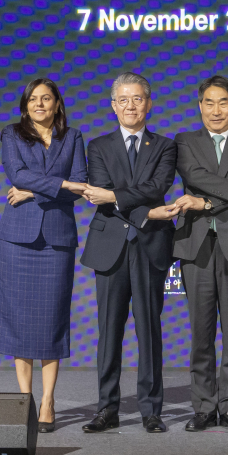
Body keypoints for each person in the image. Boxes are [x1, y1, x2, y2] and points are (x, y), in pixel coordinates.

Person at [78, 73, 180, 434]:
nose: (130, 106)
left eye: (137, 99)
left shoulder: (166, 146)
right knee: (109, 332)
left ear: (149, 104)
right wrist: (146, 210)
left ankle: (152, 409)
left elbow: (157, 186)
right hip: (110, 248)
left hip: (151, 245)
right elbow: (100, 192)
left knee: (149, 330)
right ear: (113, 106)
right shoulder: (98, 146)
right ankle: (107, 408)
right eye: (123, 100)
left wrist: (125, 201)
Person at [0, 78, 88, 433]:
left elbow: (80, 184)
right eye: (33, 99)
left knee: (51, 320)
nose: (39, 104)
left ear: (57, 104)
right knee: (19, 322)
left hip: (57, 239)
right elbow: (16, 173)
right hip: (18, 239)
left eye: (46, 98)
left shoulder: (73, 137)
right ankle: (25, 401)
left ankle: (47, 400)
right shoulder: (12, 135)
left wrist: (33, 193)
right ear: (25, 105)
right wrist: (61, 186)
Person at [172, 75, 228, 433]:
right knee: (201, 332)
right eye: (208, 103)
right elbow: (194, 174)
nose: (216, 110)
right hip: (195, 246)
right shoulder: (184, 142)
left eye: (223, 102)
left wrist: (206, 200)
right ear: (199, 106)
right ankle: (202, 406)